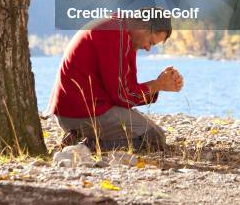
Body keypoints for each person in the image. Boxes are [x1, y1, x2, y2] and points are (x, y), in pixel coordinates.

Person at [47, 12, 184, 151]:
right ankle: (86, 146)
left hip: (77, 110)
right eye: (150, 42)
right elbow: (122, 96)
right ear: (143, 25)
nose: (148, 48)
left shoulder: (121, 30)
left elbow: (126, 90)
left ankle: (81, 137)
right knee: (155, 138)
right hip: (83, 113)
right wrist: (158, 84)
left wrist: (158, 85)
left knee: (152, 135)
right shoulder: (115, 35)